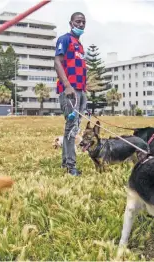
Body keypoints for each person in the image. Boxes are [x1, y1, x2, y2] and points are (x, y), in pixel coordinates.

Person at [54, 12, 87, 176]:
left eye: (83, 22)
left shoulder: (79, 45)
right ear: (71, 23)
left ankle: (65, 163)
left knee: (74, 129)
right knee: (71, 127)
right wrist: (67, 86)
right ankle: (70, 166)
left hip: (80, 91)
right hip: (70, 91)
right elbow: (57, 61)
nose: (81, 25)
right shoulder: (65, 39)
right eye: (78, 21)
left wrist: (83, 92)